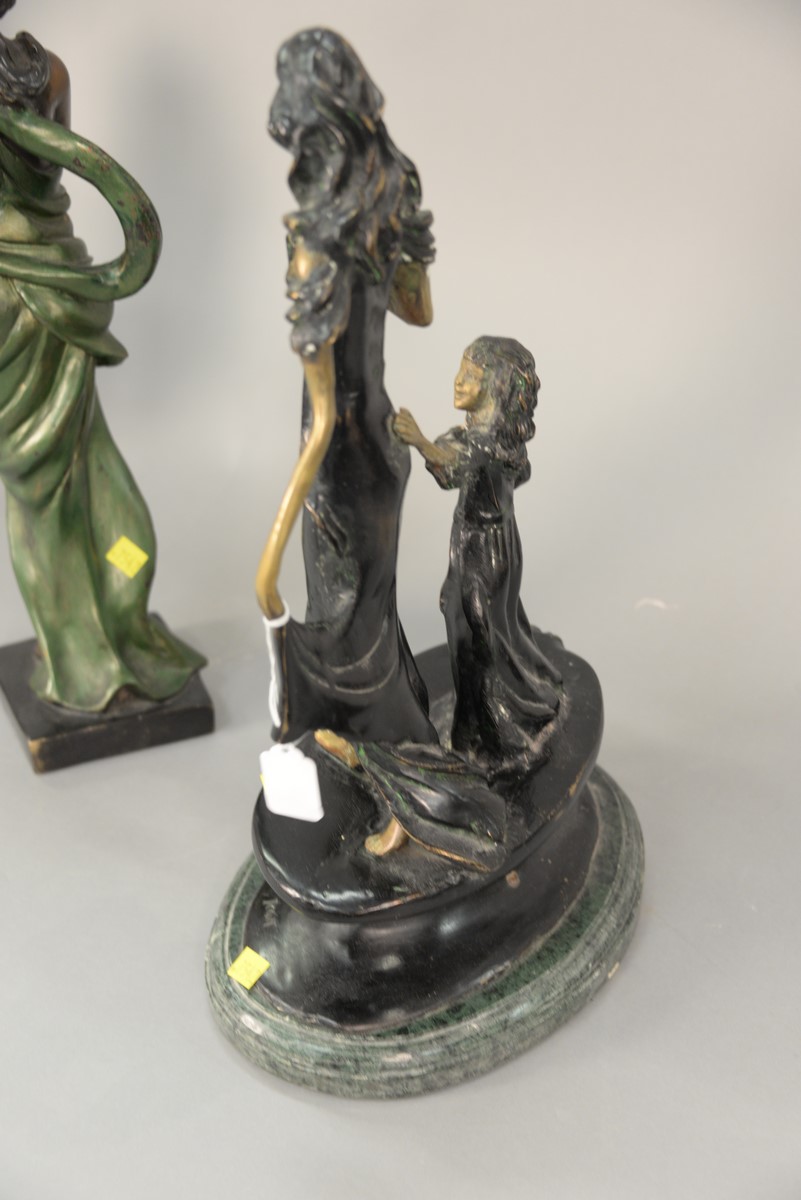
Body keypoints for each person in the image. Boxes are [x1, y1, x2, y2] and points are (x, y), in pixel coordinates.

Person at [0, 10, 204, 711]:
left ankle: (82, 653)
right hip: (63, 282)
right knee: (82, 459)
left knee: (38, 487)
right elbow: (57, 167)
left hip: (9, 298)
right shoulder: (46, 72)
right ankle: (118, 611)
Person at [256, 29, 437, 745]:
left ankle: (381, 756)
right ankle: (394, 736)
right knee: (368, 622)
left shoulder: (314, 249)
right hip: (385, 453)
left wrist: (267, 563)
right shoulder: (394, 190)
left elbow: (324, 419)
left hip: (336, 469)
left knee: (339, 633)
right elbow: (419, 311)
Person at [395, 336, 562, 772]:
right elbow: (456, 459)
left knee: (479, 634)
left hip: (485, 549)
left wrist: (419, 441)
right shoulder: (485, 437)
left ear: (496, 387)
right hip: (479, 542)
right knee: (482, 628)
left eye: (471, 376)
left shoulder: (488, 443)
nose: (458, 381)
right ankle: (475, 725)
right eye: (461, 370)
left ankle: (498, 735)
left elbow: (454, 465)